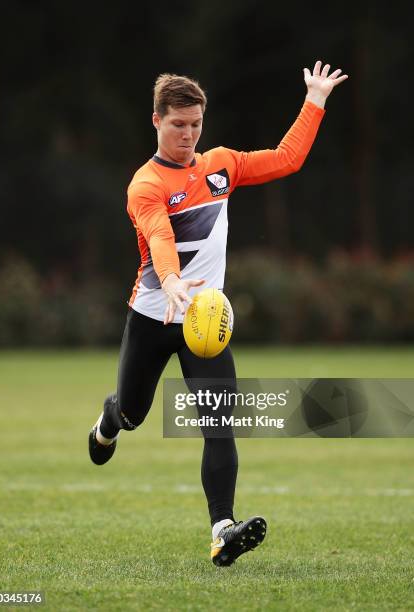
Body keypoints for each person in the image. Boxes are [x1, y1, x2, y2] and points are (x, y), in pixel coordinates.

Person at [88, 61, 348, 566]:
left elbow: (286, 159)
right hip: (153, 316)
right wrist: (170, 281)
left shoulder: (221, 164)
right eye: (178, 124)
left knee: (219, 423)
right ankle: (108, 420)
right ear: (157, 121)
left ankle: (222, 528)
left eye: (196, 124)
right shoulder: (145, 185)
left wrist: (314, 100)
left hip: (206, 320)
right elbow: (160, 237)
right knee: (135, 412)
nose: (188, 134)